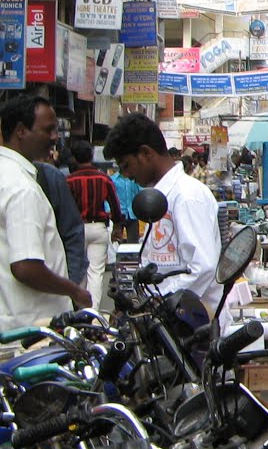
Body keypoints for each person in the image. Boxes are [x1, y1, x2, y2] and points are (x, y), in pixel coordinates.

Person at [104, 114, 224, 318]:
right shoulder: (160, 196)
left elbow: (202, 267)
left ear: (145, 153)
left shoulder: (187, 196)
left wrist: (160, 302)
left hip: (191, 321)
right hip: (168, 319)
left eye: (126, 166)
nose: (126, 175)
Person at [0, 95, 91, 327]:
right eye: (48, 130)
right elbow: (26, 267)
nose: (54, 137)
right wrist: (75, 291)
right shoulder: (21, 188)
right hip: (31, 327)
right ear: (21, 131)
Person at [66, 139, 125, 313]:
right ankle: (93, 313)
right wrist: (117, 227)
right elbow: (115, 205)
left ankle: (80, 310)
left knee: (78, 271)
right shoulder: (103, 178)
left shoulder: (69, 180)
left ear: (74, 158)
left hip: (76, 230)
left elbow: (65, 208)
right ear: (91, 156)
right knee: (96, 272)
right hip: (99, 228)